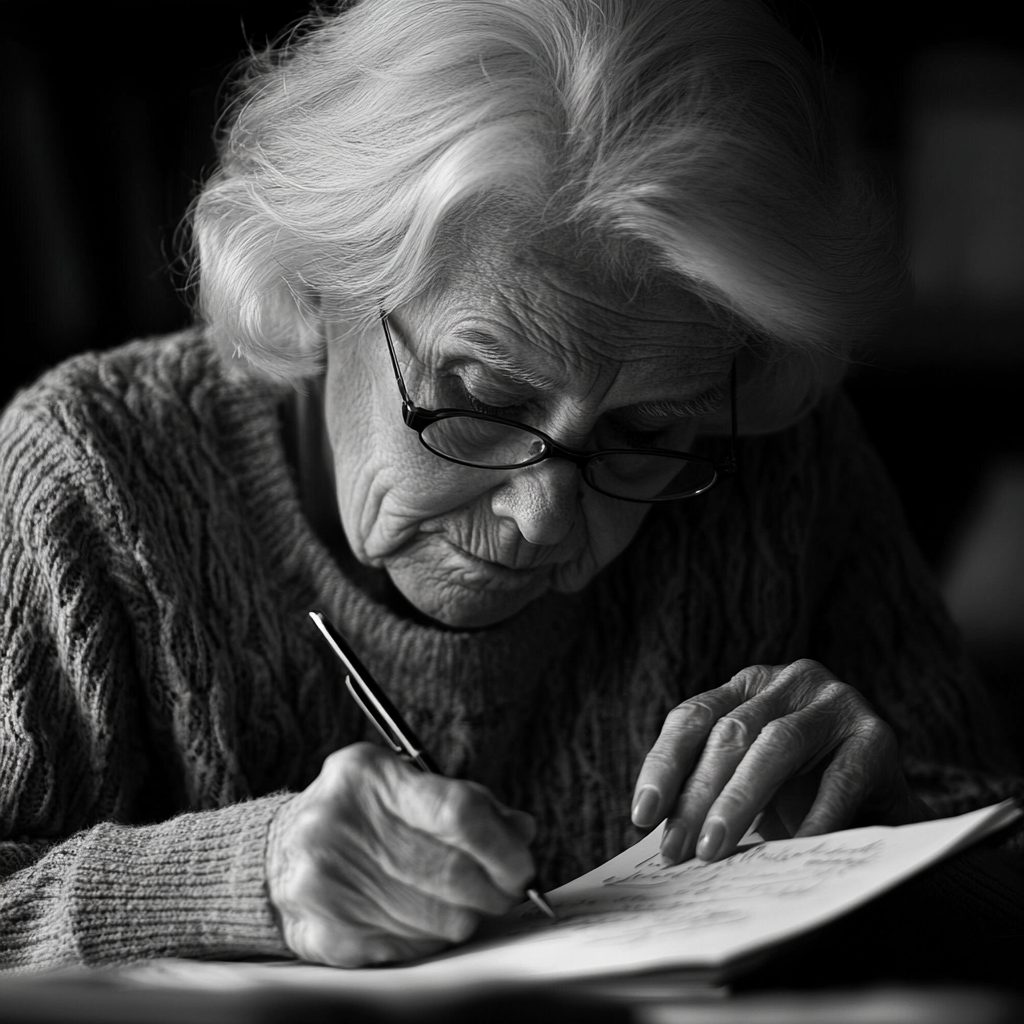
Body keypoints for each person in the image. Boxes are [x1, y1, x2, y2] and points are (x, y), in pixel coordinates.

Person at [0, 0, 1019, 974]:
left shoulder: (776, 461)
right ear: (320, 281)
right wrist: (236, 877)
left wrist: (892, 831)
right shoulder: (95, 476)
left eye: (642, 431)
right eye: (484, 398)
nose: (546, 515)